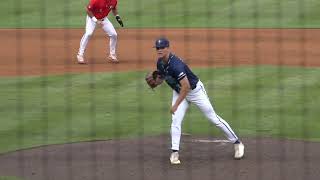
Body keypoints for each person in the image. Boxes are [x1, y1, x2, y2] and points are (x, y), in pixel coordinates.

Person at [148, 37, 245, 165]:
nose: (159, 50)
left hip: (195, 92)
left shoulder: (176, 65)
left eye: (162, 48)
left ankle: (237, 143)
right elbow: (163, 76)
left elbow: (186, 86)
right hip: (179, 92)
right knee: (176, 121)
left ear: (167, 48)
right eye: (157, 48)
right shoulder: (160, 62)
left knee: (213, 118)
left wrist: (176, 105)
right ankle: (174, 153)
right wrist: (156, 81)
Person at [77, 0, 124, 64]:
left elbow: (113, 8)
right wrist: (95, 20)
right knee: (88, 33)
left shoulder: (114, 1)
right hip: (92, 19)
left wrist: (117, 17)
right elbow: (88, 10)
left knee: (114, 34)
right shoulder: (96, 1)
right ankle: (80, 55)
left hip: (104, 19)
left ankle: (112, 55)